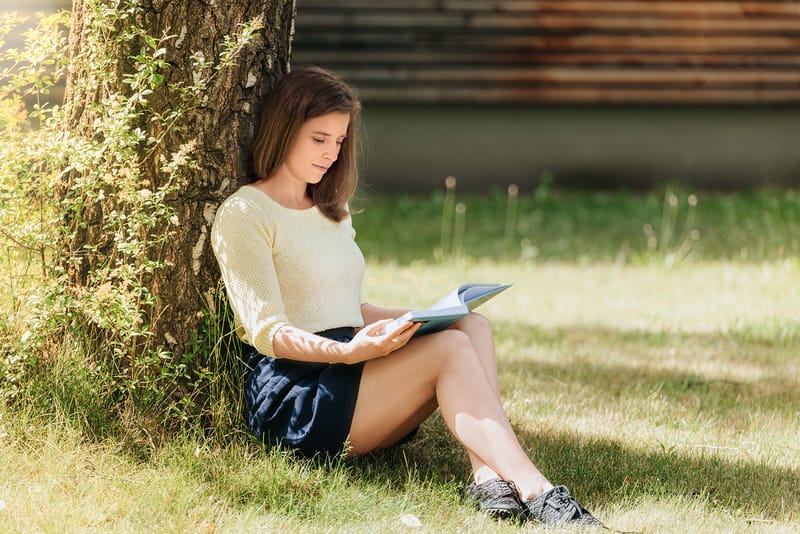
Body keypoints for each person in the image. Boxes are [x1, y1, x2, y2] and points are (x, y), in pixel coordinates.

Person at [211, 66, 602, 526]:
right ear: (284, 129)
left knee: (468, 327)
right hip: (297, 392)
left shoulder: (330, 211)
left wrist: (426, 317)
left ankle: (487, 481)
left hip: (349, 365)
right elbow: (266, 331)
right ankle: (539, 493)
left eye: (338, 142)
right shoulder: (246, 212)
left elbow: (344, 307)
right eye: (319, 139)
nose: (331, 155)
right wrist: (348, 351)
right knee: (452, 349)